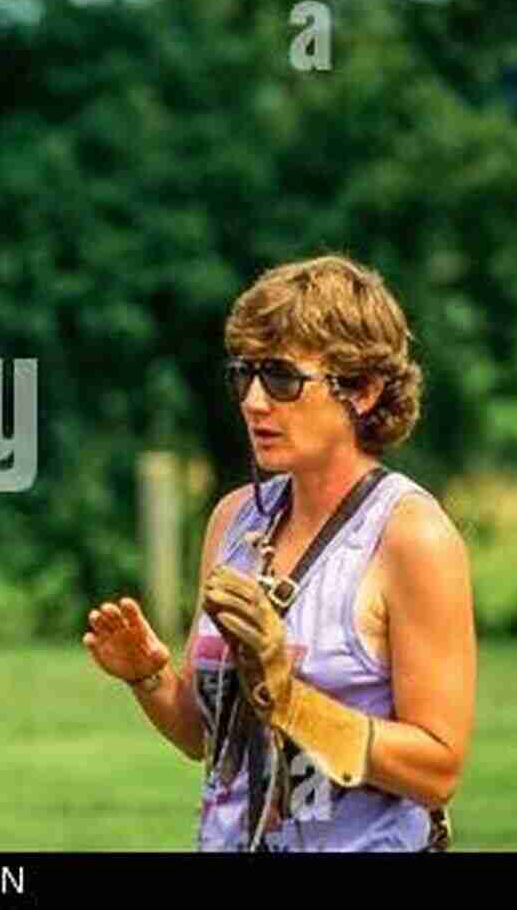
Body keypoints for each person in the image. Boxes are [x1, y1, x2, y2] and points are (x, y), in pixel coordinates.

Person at [82, 255, 476, 851]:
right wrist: (148, 674)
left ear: (363, 390)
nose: (254, 401)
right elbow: (204, 737)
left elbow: (437, 769)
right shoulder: (234, 520)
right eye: (244, 375)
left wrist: (291, 702)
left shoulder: (410, 536)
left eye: (283, 379)